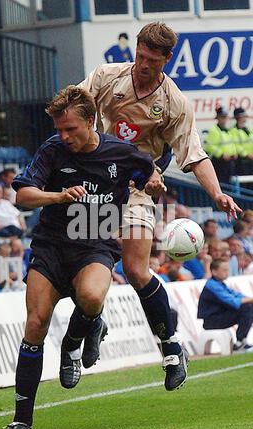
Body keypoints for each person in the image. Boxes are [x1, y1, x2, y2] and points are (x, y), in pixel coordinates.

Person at [77, 22, 241, 391]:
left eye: (152, 60)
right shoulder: (106, 77)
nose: (142, 64)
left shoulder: (173, 103)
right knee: (84, 267)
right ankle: (93, 321)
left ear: (167, 59)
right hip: (95, 182)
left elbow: (194, 155)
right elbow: (76, 108)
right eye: (139, 55)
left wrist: (216, 194)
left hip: (137, 186)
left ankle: (170, 347)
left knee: (136, 270)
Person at [0, 86, 164, 429]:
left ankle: (76, 341)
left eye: (70, 128)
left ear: (91, 122)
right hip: (51, 248)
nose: (64, 136)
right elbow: (23, 195)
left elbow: (147, 172)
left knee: (91, 297)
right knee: (35, 324)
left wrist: (152, 181)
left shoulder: (121, 153)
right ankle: (21, 420)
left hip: (96, 246)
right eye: (59, 129)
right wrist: (58, 195)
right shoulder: (53, 151)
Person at [198, 259, 253, 353]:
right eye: (224, 270)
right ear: (214, 271)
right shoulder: (212, 285)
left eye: (227, 269)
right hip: (211, 321)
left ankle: (242, 340)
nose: (227, 272)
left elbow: (236, 295)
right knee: (246, 308)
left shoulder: (220, 284)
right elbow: (232, 301)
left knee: (248, 307)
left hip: (218, 317)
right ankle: (239, 343)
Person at [203, 107, 237, 184]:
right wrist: (221, 154)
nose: (224, 119)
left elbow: (231, 144)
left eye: (225, 117)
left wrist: (234, 153)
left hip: (228, 162)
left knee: (229, 183)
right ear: (218, 118)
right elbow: (209, 146)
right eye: (222, 117)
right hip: (219, 162)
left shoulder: (227, 131)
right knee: (222, 183)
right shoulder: (214, 130)